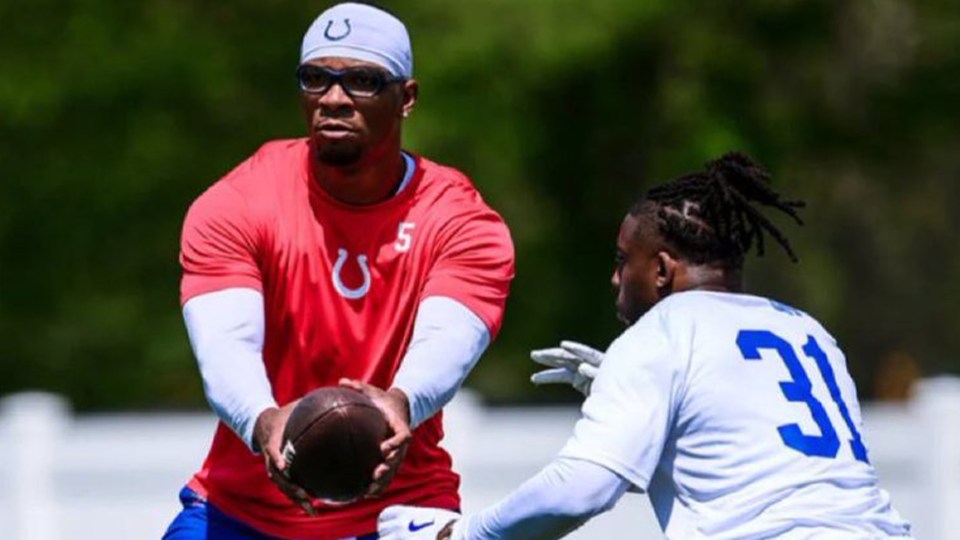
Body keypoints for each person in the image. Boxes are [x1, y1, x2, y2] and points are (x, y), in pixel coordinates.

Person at [378, 152, 913, 539]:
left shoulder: (659, 334)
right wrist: (650, 411)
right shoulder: (807, 329)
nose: (615, 280)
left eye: (621, 261)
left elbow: (580, 490)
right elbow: (738, 461)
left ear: (660, 269)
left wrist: (462, 534)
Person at [163, 3, 515, 539]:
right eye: (315, 79)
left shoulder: (461, 221)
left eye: (362, 81)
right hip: (241, 512)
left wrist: (400, 403)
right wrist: (265, 422)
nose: (333, 98)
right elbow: (225, 348)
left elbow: (448, 341)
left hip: (399, 511)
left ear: (408, 98)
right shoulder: (235, 203)